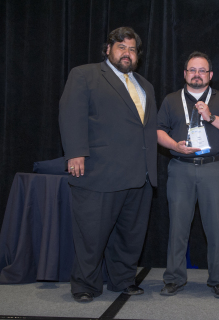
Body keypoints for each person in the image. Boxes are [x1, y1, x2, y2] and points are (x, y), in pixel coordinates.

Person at [59, 27, 157, 302]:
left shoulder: (145, 85)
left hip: (140, 174)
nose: (127, 53)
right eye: (121, 47)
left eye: (132, 49)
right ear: (108, 50)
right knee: (91, 234)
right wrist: (75, 152)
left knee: (130, 235)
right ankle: (85, 285)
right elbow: (70, 114)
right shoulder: (85, 75)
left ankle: (123, 280)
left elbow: (145, 129)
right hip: (99, 171)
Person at [157, 51, 219, 299]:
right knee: (178, 227)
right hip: (180, 167)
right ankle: (174, 278)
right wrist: (174, 145)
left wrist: (211, 117)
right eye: (192, 70)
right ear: (185, 74)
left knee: (215, 227)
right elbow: (157, 130)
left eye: (202, 70)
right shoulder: (171, 100)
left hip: (213, 168)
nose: (197, 74)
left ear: (210, 75)